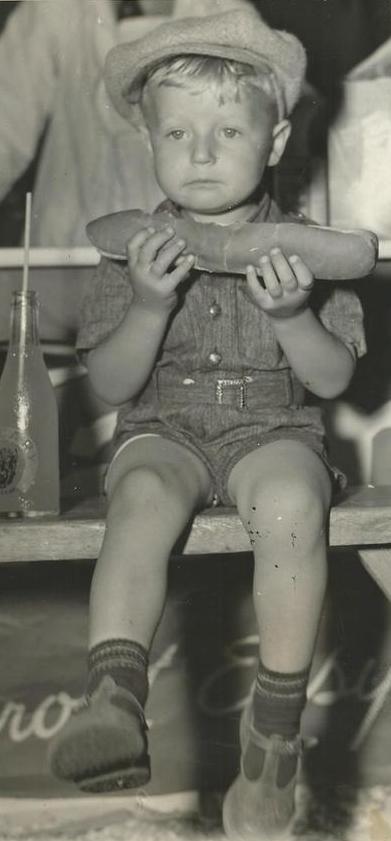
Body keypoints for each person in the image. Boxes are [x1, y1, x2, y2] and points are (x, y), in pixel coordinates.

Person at [48, 7, 366, 839]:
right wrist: (150, 306)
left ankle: (274, 735)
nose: (199, 151)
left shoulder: (305, 248)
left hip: (274, 434)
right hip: (166, 432)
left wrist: (296, 314)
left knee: (295, 505)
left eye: (226, 129)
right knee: (142, 495)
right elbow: (112, 384)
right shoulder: (133, 251)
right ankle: (114, 695)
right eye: (178, 131)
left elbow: (333, 377)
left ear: (273, 140)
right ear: (147, 142)